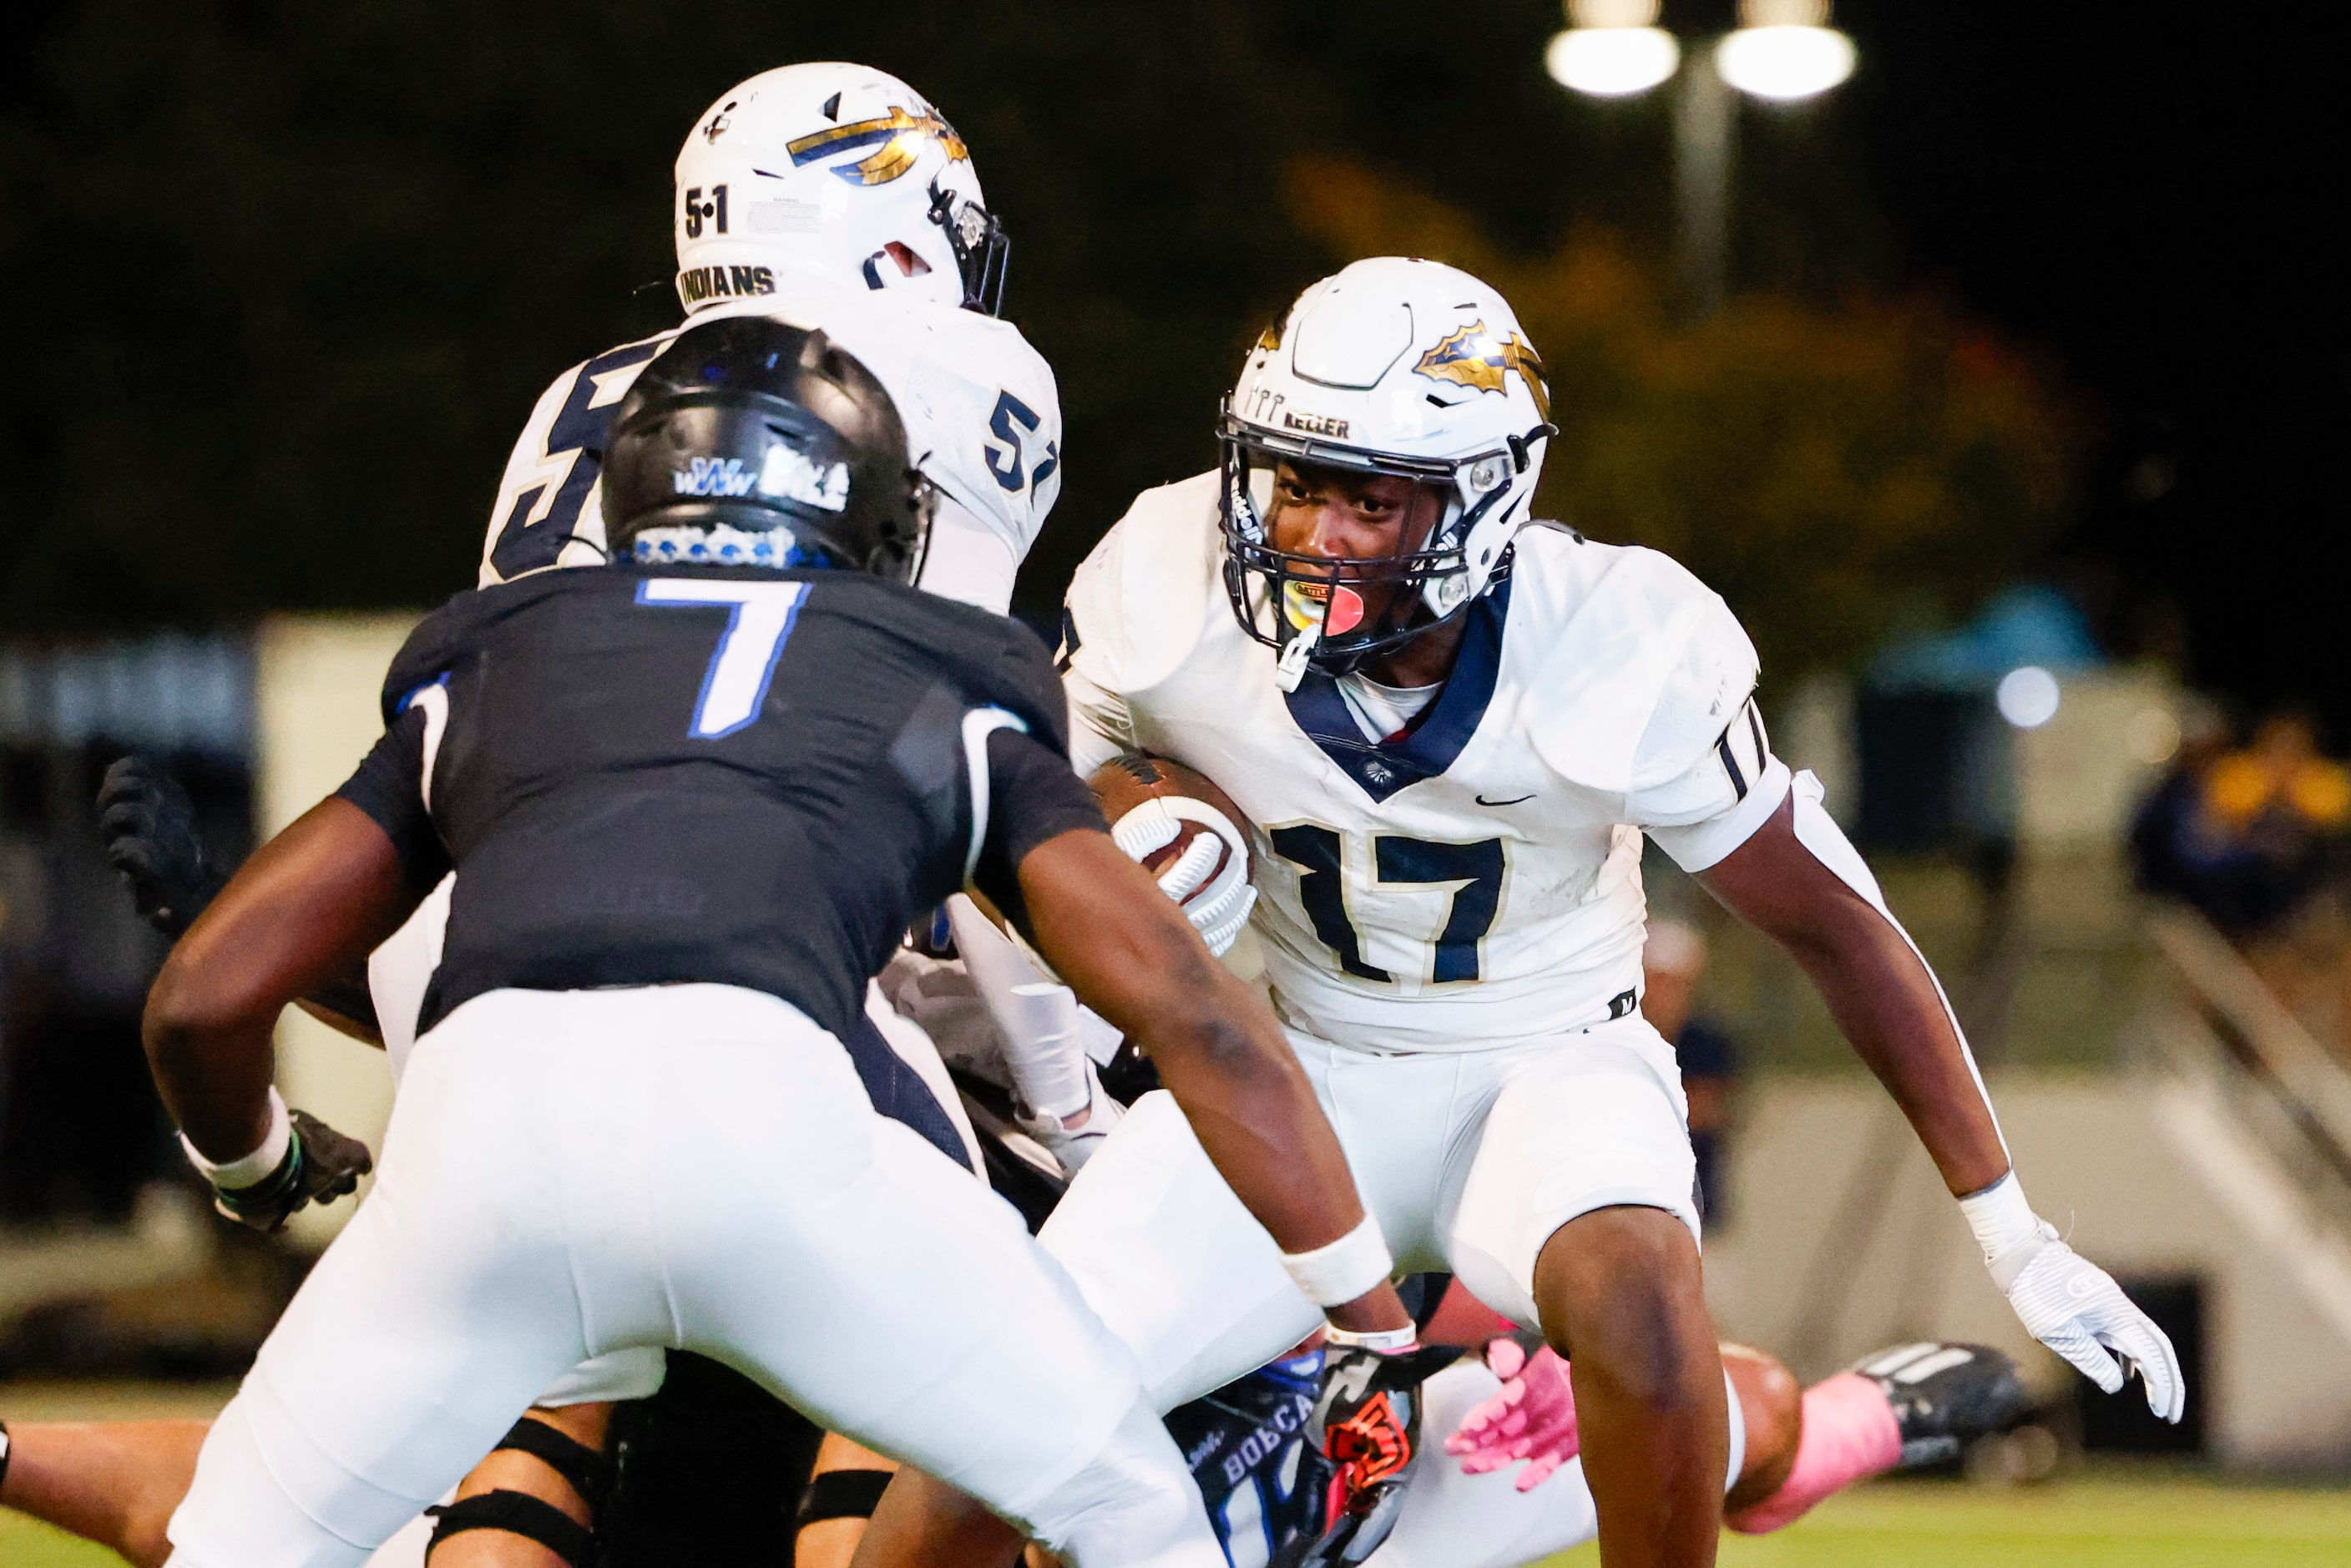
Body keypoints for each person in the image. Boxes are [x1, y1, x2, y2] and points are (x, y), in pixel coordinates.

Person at [855, 256, 2183, 1568]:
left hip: (1549, 1058)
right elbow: (1020, 786)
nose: (1313, 532)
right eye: (1294, 482)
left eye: (1370, 499)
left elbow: (1835, 924)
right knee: (999, 1409)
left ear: (1484, 501)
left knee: (1641, 1300)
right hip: (1296, 1061)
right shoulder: (1167, 575)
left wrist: (2012, 1227)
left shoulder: (1617, 638)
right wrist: (1133, 816)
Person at [134, 317, 1418, 1568]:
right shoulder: (934, 667)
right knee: (1130, 1511)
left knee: (236, 1543)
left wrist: (255, 1164)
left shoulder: (499, 652)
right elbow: (1194, 1013)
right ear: (874, 510)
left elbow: (202, 996)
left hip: (485, 1165)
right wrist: (1366, 1312)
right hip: (783, 1152)